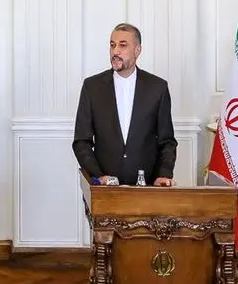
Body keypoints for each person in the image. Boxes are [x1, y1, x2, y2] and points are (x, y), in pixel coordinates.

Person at [72, 23, 177, 186]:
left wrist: (164, 174)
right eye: (112, 45)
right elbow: (81, 141)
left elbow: (167, 141)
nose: (115, 51)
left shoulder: (157, 88)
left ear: (137, 50)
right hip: (104, 189)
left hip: (147, 188)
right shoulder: (92, 87)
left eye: (123, 45)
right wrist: (98, 176)